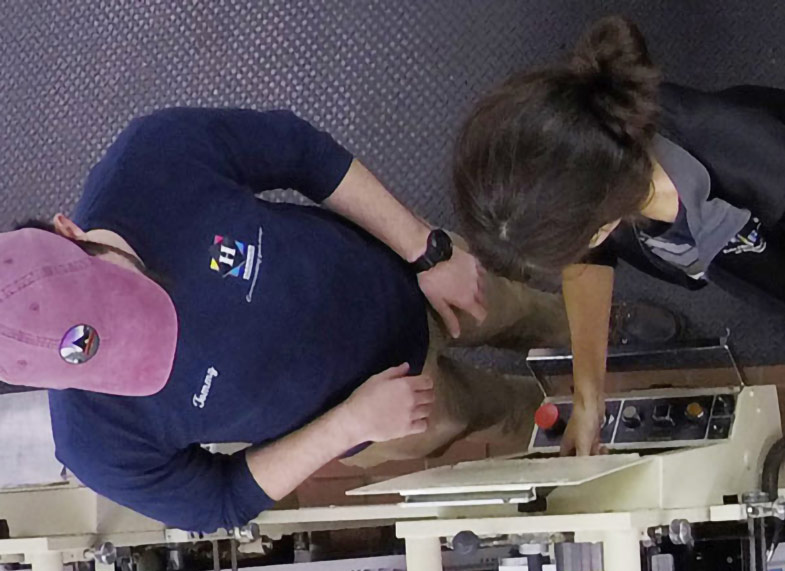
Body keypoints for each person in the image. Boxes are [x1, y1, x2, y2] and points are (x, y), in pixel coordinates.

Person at [0, 107, 572, 532]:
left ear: (69, 232)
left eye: (135, 297)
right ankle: (566, 414)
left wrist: (425, 250)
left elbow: (301, 153)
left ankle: (603, 330)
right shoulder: (93, 443)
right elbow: (216, 502)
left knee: (533, 310)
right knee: (505, 414)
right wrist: (350, 425)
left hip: (402, 277)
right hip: (383, 413)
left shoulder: (149, 160)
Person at [452, 16, 785, 456]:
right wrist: (589, 400)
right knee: (784, 284)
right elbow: (590, 258)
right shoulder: (589, 169)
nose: (574, 256)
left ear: (605, 216)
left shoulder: (745, 153)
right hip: (735, 246)